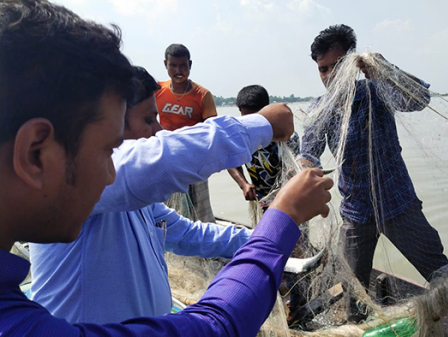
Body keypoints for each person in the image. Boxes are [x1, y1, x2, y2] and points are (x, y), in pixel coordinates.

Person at [0, 1, 333, 336]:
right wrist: (262, 136)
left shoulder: (128, 204)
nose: (157, 132)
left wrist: (261, 237)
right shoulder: (101, 188)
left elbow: (190, 234)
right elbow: (214, 326)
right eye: (110, 147)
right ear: (35, 154)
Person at [28, 67, 279, 324]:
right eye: (149, 119)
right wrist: (263, 124)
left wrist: (269, 237)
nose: (159, 130)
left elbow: (189, 234)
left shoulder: (138, 199)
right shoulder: (77, 177)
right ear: (111, 125)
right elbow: (159, 158)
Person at [297, 24, 448, 323]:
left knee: (440, 274)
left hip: (399, 205)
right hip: (356, 212)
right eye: (322, 69)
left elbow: (419, 99)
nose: (329, 76)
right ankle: (355, 326)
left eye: (336, 67)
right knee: (353, 290)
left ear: (353, 62)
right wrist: (305, 168)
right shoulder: (321, 108)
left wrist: (385, 70)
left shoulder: (376, 92)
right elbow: (308, 151)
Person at [155, 43, 217, 222]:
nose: (178, 70)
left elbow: (212, 133)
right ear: (165, 65)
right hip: (166, 158)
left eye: (183, 65)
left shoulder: (202, 95)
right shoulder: (157, 90)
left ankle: (206, 245)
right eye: (173, 65)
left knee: (200, 211)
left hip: (194, 161)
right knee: (166, 210)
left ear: (190, 65)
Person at [227, 85, 300, 210]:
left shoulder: (285, 134)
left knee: (295, 229)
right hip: (260, 202)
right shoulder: (240, 137)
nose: (251, 124)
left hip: (290, 201)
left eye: (255, 119)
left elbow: (299, 163)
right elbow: (231, 161)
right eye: (247, 119)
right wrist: (244, 184)